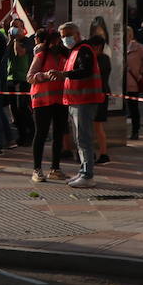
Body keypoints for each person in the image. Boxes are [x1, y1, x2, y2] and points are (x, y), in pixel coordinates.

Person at [54, 21, 104, 188]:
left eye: (67, 36)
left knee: (84, 138)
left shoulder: (83, 50)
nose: (65, 39)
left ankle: (87, 174)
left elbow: (85, 71)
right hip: (77, 100)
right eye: (62, 37)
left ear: (76, 34)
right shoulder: (76, 50)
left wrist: (64, 74)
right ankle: (84, 171)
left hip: (84, 100)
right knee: (80, 138)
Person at [27, 29, 69, 182]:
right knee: (41, 134)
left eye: (59, 41)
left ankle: (55, 168)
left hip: (61, 100)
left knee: (58, 134)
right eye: (54, 41)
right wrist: (44, 75)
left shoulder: (66, 57)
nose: (57, 44)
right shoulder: (41, 56)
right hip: (42, 101)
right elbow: (29, 77)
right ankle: (37, 169)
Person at [7, 25, 33, 147]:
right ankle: (21, 134)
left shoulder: (28, 41)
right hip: (11, 78)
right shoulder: (10, 41)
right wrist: (10, 39)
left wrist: (16, 39)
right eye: (12, 26)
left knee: (22, 107)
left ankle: (30, 133)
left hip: (23, 79)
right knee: (14, 109)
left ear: (23, 29)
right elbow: (5, 53)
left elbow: (20, 53)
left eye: (17, 26)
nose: (14, 29)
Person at [88, 32, 112, 164]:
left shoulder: (101, 60)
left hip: (99, 95)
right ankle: (97, 153)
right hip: (99, 94)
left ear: (97, 47)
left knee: (96, 126)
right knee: (95, 126)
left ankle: (103, 153)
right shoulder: (103, 59)